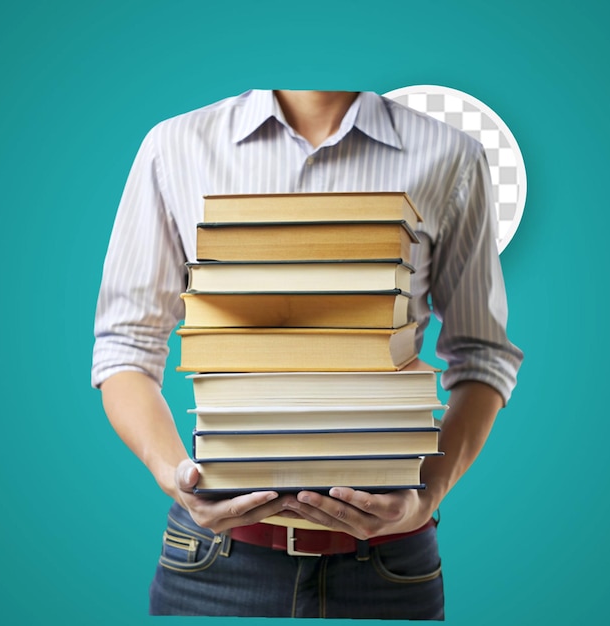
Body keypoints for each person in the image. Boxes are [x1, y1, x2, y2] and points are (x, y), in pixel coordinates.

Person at [92, 89, 523, 619]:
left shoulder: (450, 153)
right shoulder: (176, 146)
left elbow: (483, 354)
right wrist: (174, 475)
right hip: (214, 566)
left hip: (389, 568)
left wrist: (428, 497)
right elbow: (126, 345)